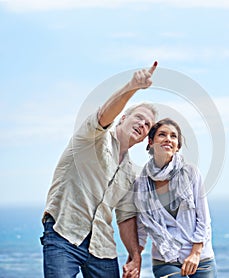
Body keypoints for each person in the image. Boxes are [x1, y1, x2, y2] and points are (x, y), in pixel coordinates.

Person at [40, 61, 158, 278]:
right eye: (138, 117)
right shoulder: (92, 137)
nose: (142, 124)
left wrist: (135, 255)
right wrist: (131, 87)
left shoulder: (131, 173)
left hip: (101, 247)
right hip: (64, 232)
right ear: (123, 118)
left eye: (148, 125)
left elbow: (125, 216)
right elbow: (105, 114)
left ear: (144, 138)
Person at [134, 118, 217, 278]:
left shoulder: (191, 173)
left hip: (200, 257)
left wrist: (195, 254)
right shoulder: (140, 183)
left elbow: (204, 218)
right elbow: (141, 227)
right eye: (162, 135)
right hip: (165, 258)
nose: (168, 139)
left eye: (173, 136)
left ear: (177, 146)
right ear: (151, 142)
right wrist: (135, 258)